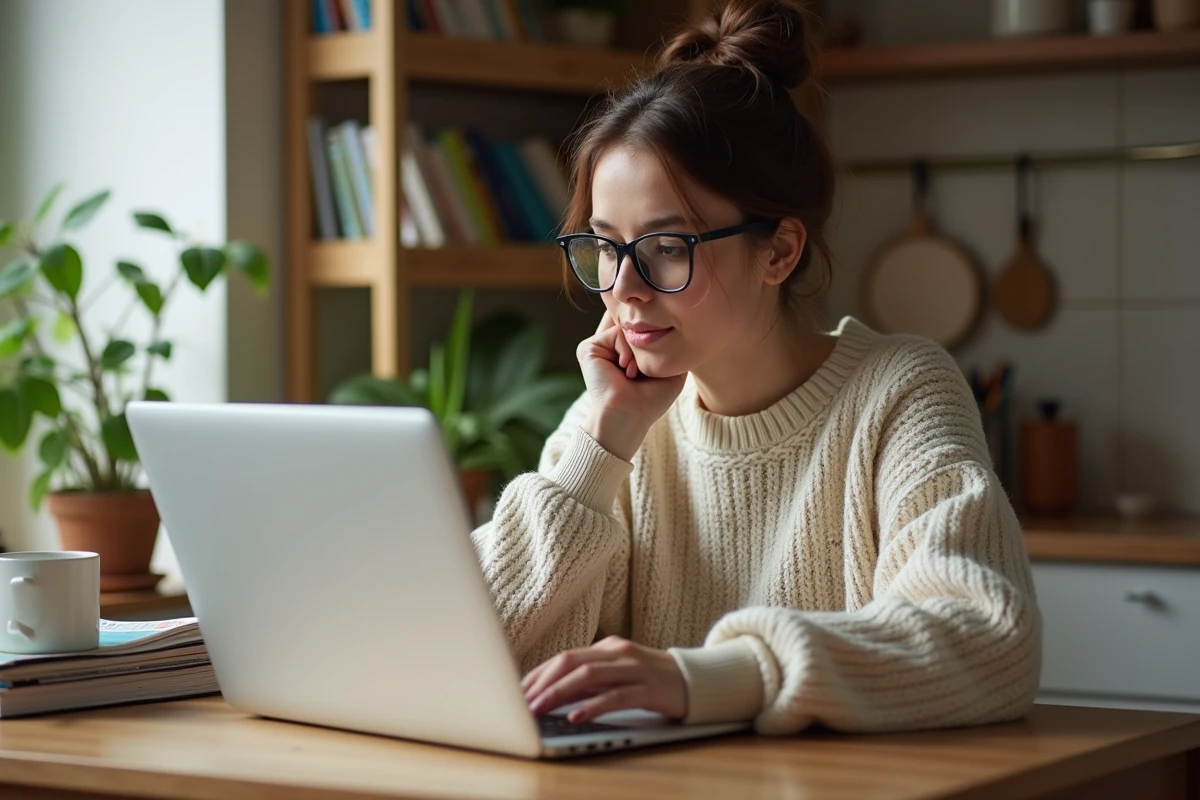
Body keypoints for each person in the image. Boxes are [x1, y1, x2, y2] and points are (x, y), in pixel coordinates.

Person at [470, 0, 1040, 735]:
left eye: (668, 248)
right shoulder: (615, 420)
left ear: (779, 250)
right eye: (605, 247)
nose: (624, 288)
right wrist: (601, 448)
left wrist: (712, 676)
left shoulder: (898, 392)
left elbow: (987, 638)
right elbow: (473, 653)